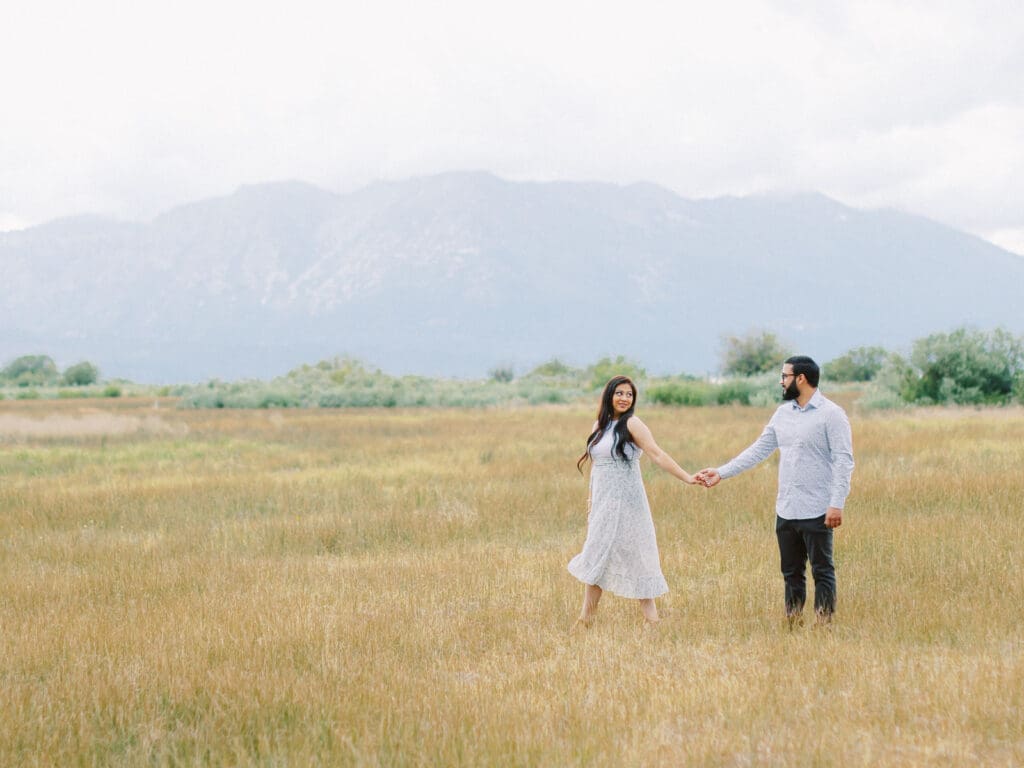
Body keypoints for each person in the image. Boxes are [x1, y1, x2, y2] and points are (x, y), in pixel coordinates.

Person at [696, 356, 854, 627]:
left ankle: (823, 625)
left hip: (818, 508)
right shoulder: (783, 414)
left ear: (800, 379)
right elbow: (759, 449)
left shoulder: (832, 414)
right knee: (791, 572)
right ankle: (792, 622)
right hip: (787, 508)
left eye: (785, 376)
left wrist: (836, 503)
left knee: (822, 570)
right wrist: (722, 472)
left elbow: (844, 460)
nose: (781, 382)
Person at [568, 375, 699, 629]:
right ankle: (585, 620)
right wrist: (591, 502)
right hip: (603, 504)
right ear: (609, 396)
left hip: (627, 503)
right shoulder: (599, 425)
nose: (624, 398)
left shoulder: (633, 424)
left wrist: (687, 477)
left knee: (636, 556)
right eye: (620, 393)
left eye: (629, 394)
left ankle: (652, 621)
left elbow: (657, 454)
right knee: (597, 554)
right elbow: (597, 468)